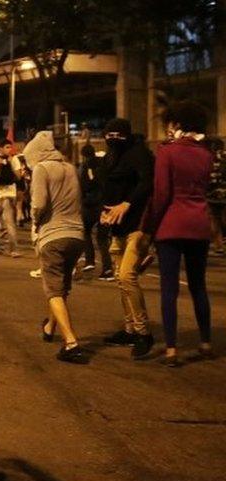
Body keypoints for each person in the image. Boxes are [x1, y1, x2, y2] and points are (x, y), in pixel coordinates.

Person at [140, 101, 215, 367]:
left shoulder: (167, 152)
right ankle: (205, 342)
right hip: (199, 224)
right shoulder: (206, 154)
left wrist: (149, 228)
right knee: (198, 286)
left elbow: (161, 195)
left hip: (171, 225)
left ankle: (171, 349)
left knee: (169, 289)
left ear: (177, 123)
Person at [25, 131, 90, 364]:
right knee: (62, 287)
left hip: (53, 235)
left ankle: (71, 344)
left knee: (53, 290)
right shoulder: (71, 168)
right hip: (76, 235)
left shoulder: (42, 169)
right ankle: (50, 327)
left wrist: (35, 221)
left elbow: (39, 203)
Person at [98, 118, 156, 360]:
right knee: (121, 280)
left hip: (138, 225)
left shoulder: (139, 153)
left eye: (116, 135)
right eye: (108, 135)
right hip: (117, 227)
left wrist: (127, 203)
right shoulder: (112, 156)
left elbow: (147, 182)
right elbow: (109, 186)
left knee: (126, 276)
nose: (112, 139)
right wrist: (105, 211)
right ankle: (130, 328)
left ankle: (144, 333)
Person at [77, 144, 115, 280]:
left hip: (89, 206)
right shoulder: (104, 165)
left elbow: (82, 186)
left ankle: (89, 260)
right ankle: (108, 269)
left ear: (83, 154)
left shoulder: (84, 167)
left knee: (85, 232)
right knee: (103, 238)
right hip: (104, 205)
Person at [0, 139, 23, 257]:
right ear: (0, 148)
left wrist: (11, 163)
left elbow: (18, 177)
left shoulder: (15, 159)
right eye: (7, 147)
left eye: (10, 147)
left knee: (10, 224)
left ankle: (14, 249)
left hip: (9, 195)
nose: (9, 149)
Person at [207, 138, 226, 256]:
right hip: (224, 194)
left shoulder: (207, 159)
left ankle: (219, 245)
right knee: (222, 219)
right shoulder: (224, 159)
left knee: (214, 220)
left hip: (211, 195)